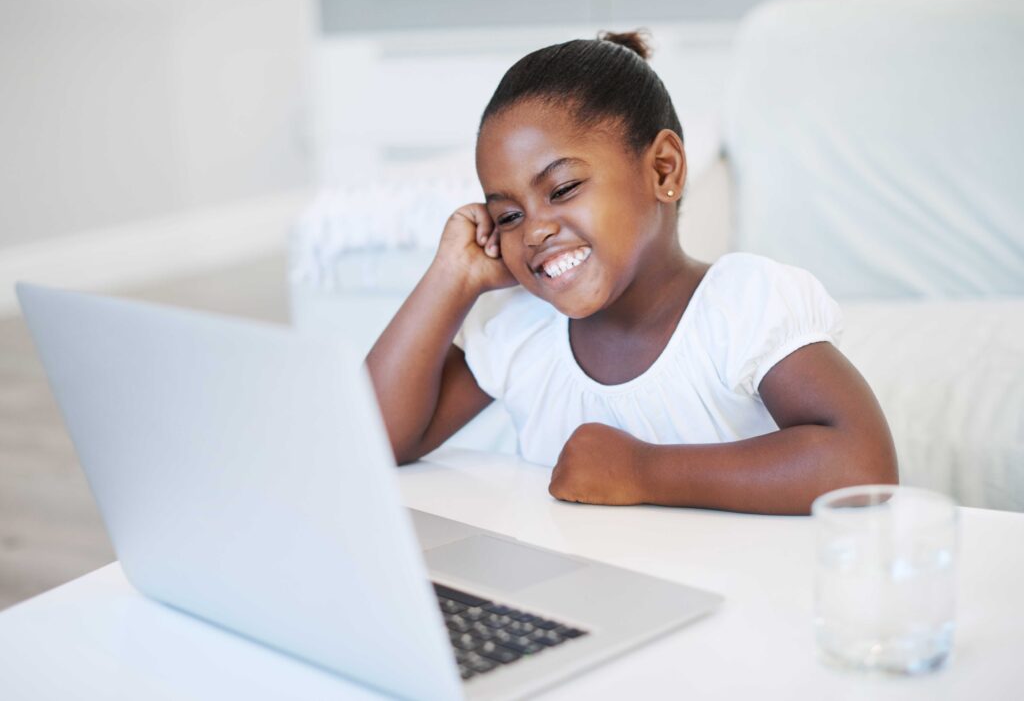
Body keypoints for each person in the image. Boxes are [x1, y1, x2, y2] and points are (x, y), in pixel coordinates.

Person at [366, 31, 897, 515]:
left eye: (563, 189)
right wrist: (450, 278)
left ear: (663, 170)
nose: (533, 232)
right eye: (508, 215)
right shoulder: (520, 330)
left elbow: (862, 464)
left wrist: (644, 470)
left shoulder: (742, 307)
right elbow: (373, 440)